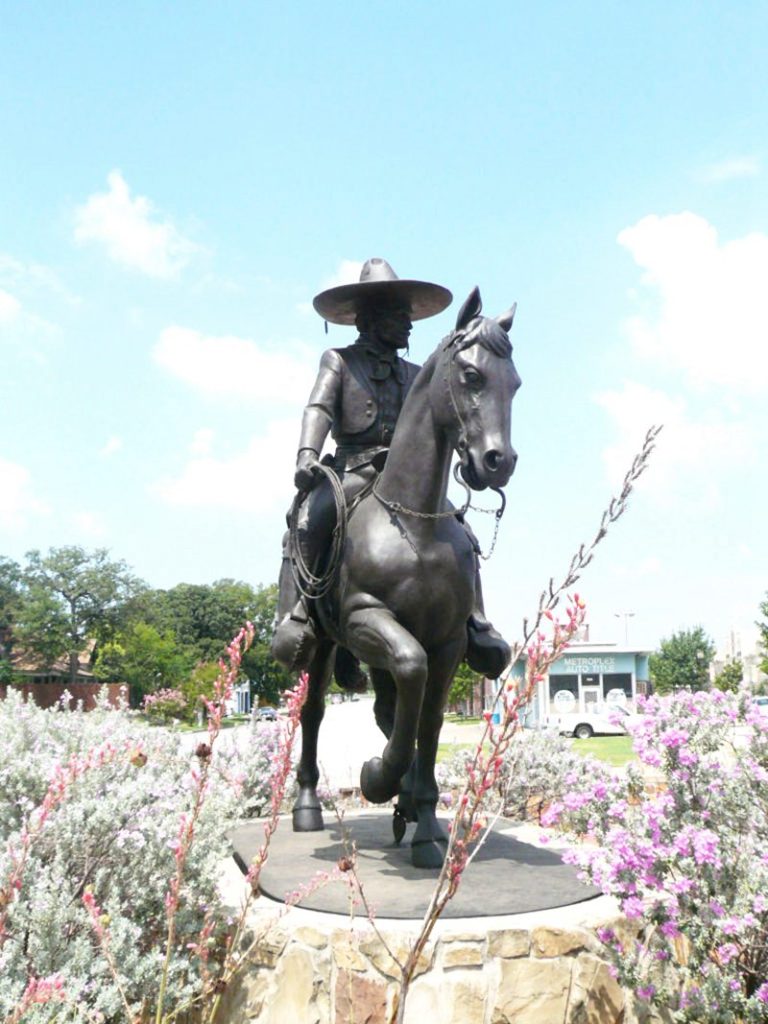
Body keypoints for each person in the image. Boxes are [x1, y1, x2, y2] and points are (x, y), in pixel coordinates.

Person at [271, 257, 510, 682]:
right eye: (398, 315)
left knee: (461, 532)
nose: (408, 324)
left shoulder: (417, 373)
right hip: (352, 469)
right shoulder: (339, 361)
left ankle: (475, 620)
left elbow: (444, 421)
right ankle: (300, 614)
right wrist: (307, 453)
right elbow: (319, 408)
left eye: (407, 315)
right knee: (308, 520)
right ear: (370, 319)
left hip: (405, 477)